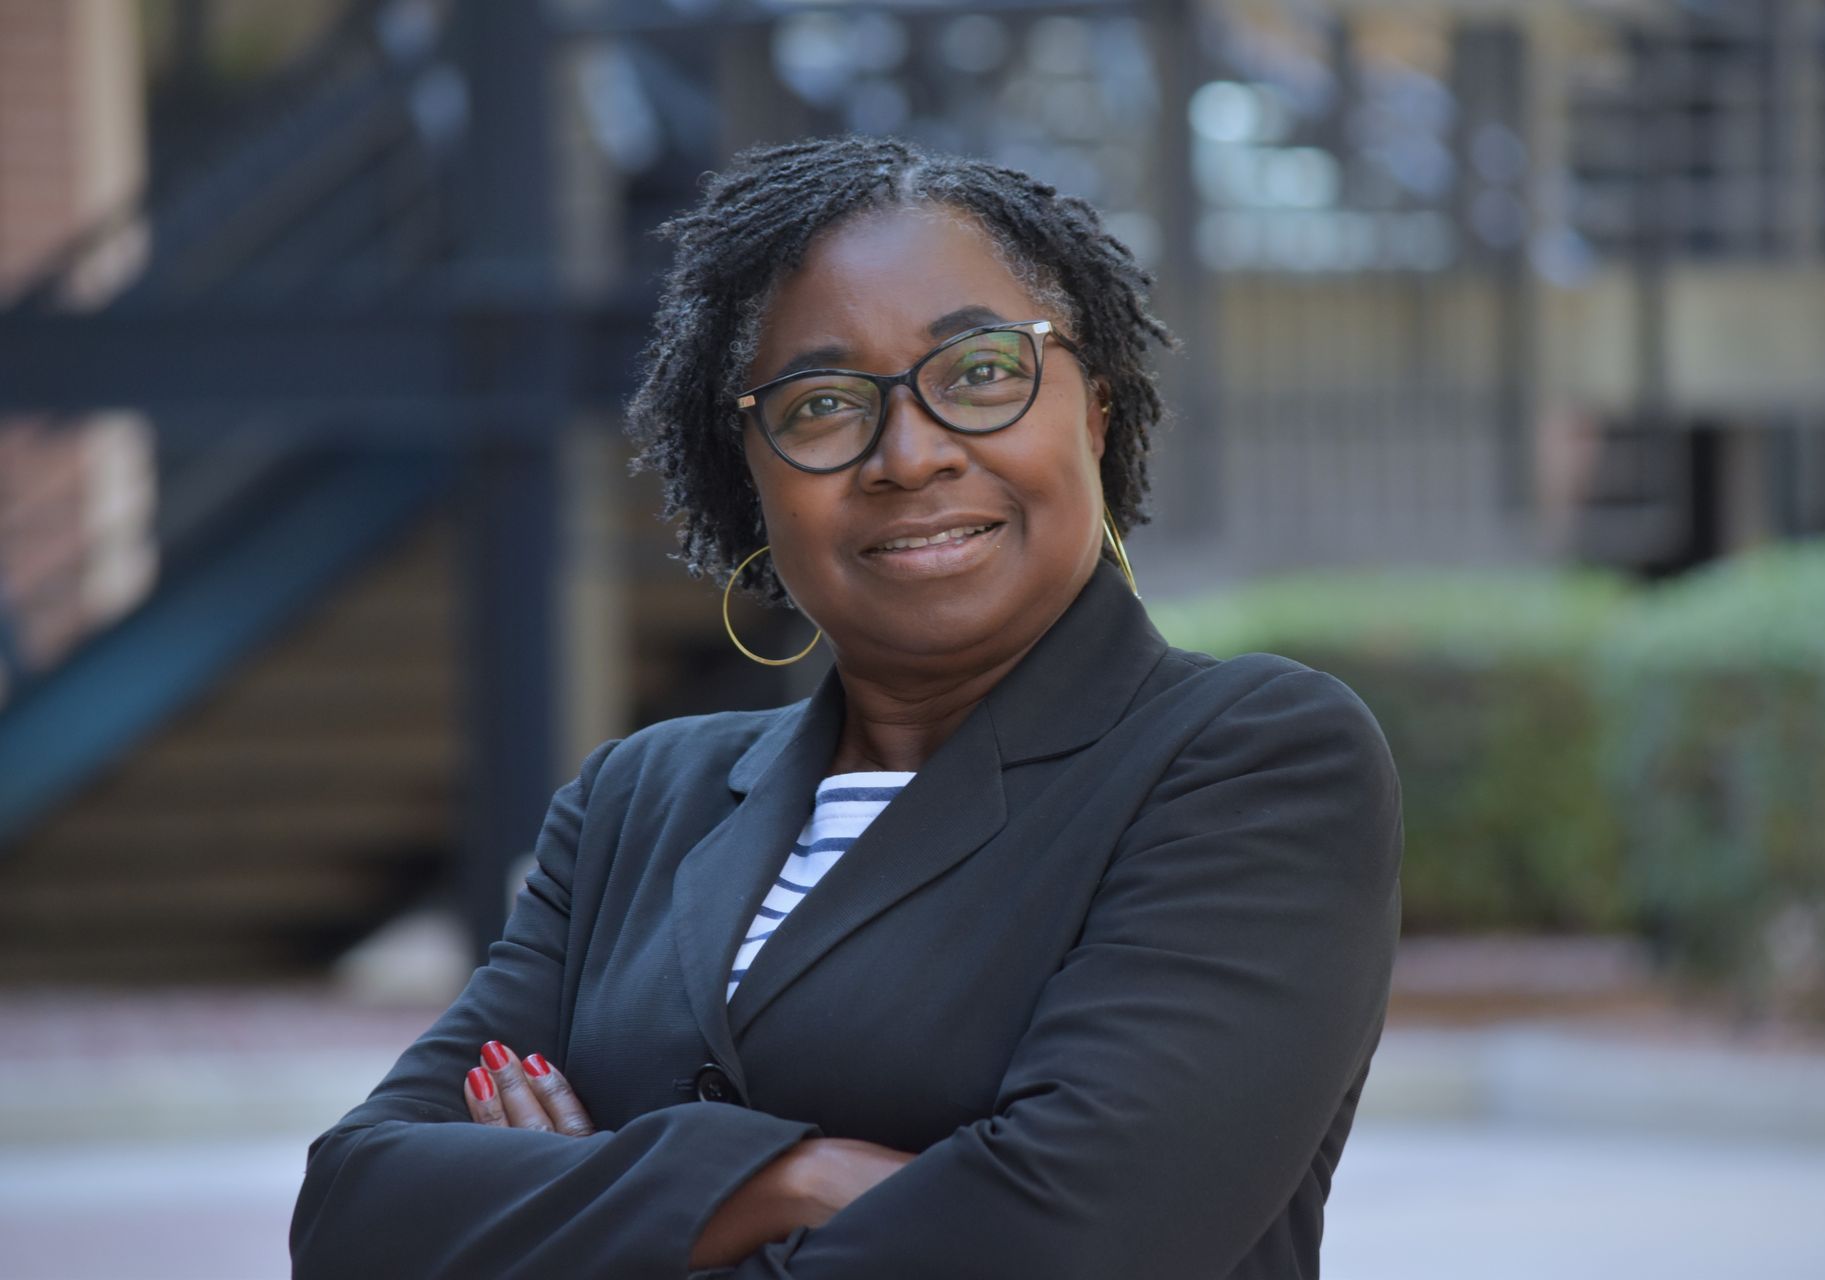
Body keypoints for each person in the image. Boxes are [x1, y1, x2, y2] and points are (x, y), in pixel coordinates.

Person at [290, 134, 1402, 1280]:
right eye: (822, 403)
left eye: (979, 372)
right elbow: (355, 1215)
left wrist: (579, 1213)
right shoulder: (636, 804)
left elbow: (1065, 1242)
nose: (909, 455)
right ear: (753, 475)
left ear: (1098, 411)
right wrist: (794, 1180)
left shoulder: (1248, 760)